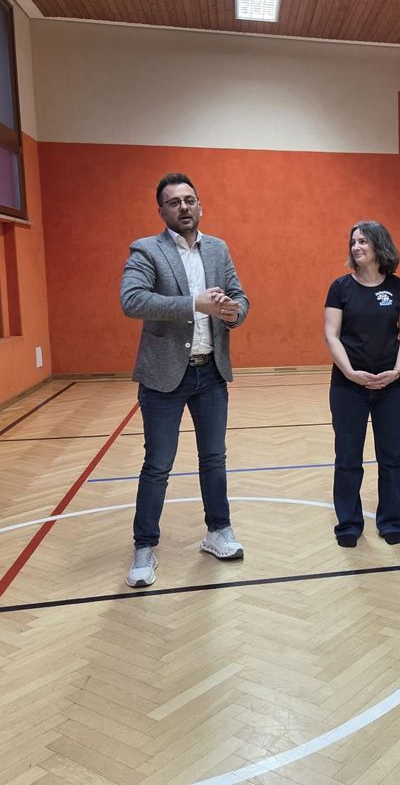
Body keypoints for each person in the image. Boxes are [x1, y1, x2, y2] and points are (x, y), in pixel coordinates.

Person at [120, 173, 250, 588]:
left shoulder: (218, 248)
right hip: (164, 378)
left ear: (200, 205)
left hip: (211, 371)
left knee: (214, 458)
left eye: (189, 200)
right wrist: (192, 303)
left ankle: (218, 531)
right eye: (174, 202)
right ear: (162, 211)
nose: (184, 207)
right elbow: (133, 300)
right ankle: (144, 548)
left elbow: (240, 297)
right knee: (158, 465)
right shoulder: (146, 249)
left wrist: (232, 311)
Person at [324, 221, 400, 548]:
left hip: (392, 386)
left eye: (363, 241)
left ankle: (391, 520)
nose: (356, 247)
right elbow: (331, 334)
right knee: (348, 457)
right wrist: (349, 372)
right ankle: (348, 523)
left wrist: (397, 369)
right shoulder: (340, 288)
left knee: (391, 456)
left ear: (379, 246)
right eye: (353, 242)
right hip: (348, 386)